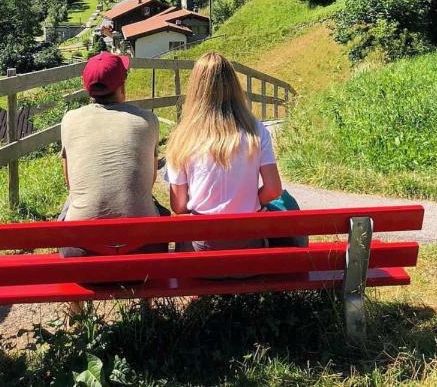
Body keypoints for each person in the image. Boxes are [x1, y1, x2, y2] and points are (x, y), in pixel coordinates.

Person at [165, 51, 282, 250]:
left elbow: (178, 206)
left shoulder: (182, 137)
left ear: (195, 89)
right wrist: (250, 201)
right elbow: (273, 190)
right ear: (234, 86)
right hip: (249, 252)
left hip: (201, 256)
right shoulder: (255, 129)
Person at [59, 51, 163, 258]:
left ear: (87, 88)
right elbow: (149, 180)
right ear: (122, 86)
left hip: (82, 257)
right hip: (142, 254)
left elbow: (70, 182)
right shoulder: (147, 120)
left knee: (70, 205)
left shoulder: (70, 120)